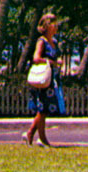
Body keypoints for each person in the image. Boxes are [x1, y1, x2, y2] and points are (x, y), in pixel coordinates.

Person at [24, 13, 66, 147]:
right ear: (47, 26)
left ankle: (32, 134)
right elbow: (36, 58)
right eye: (54, 23)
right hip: (43, 79)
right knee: (43, 109)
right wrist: (51, 62)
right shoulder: (41, 41)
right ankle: (40, 138)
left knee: (44, 109)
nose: (56, 26)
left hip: (52, 79)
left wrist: (58, 62)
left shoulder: (55, 42)